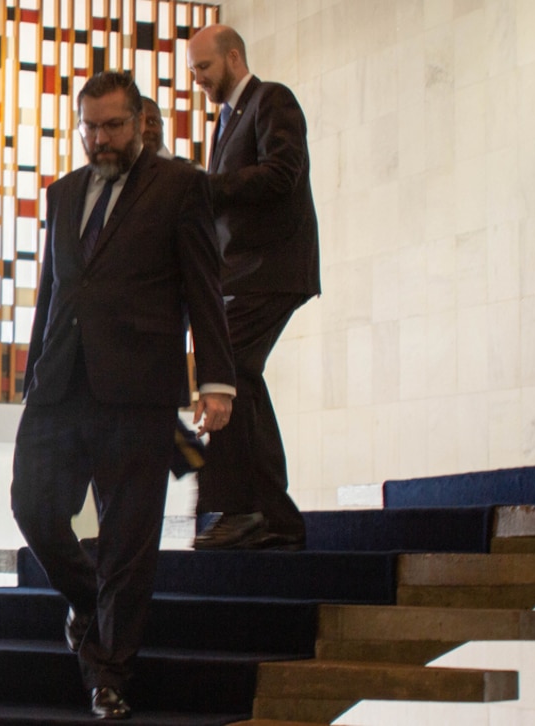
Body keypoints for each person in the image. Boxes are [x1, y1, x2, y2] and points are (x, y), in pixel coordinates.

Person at [10, 70, 236, 720]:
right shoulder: (63, 193)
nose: (102, 137)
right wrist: (33, 374)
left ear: (139, 122)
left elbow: (203, 285)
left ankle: (108, 674)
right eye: (91, 126)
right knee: (34, 509)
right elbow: (54, 293)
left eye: (114, 124)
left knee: (129, 541)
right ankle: (90, 606)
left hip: (138, 390)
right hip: (58, 386)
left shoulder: (180, 186)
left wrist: (215, 381)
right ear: (78, 126)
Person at [186, 24, 320, 551]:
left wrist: (206, 186)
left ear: (234, 57)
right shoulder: (226, 119)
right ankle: (273, 515)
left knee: (227, 372)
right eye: (193, 70)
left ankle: (245, 509)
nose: (197, 79)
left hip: (273, 268)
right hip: (242, 273)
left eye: (203, 67)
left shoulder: (271, 100)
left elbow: (282, 173)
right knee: (240, 378)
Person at [140, 96, 209, 479]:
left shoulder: (187, 175)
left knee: (153, 401)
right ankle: (191, 455)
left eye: (155, 120)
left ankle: (193, 457)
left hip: (172, 304)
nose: (150, 128)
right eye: (142, 120)